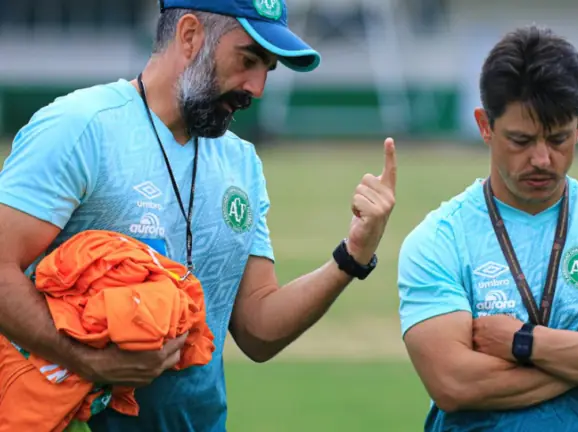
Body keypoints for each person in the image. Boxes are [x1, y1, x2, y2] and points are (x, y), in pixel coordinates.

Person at [0, 0, 397, 430]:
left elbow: (258, 328)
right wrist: (84, 358)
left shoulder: (241, 163)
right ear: (189, 35)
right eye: (247, 60)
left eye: (268, 69)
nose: (257, 87)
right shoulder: (81, 128)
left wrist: (351, 256)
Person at [397, 25, 578, 432]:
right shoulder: (440, 239)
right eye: (521, 140)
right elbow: (454, 384)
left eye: (558, 138)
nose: (542, 159)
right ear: (484, 125)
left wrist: (524, 342)